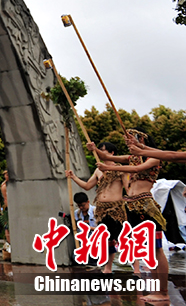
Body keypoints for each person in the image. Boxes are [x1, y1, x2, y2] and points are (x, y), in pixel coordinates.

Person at [97, 129, 168, 303]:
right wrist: (94, 149)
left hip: (145, 206)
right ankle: (157, 291)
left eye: (132, 141)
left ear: (142, 141)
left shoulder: (155, 157)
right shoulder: (134, 158)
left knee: (157, 249)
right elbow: (112, 158)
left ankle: (163, 291)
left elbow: (137, 168)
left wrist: (107, 168)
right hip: (133, 207)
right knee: (150, 250)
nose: (129, 145)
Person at [67, 141, 128, 274]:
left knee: (117, 238)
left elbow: (128, 189)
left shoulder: (120, 169)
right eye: (99, 149)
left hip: (115, 208)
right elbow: (87, 186)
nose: (100, 152)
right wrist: (73, 177)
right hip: (101, 208)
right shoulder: (98, 169)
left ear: (112, 153)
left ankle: (125, 268)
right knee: (104, 238)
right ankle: (105, 266)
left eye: (104, 150)